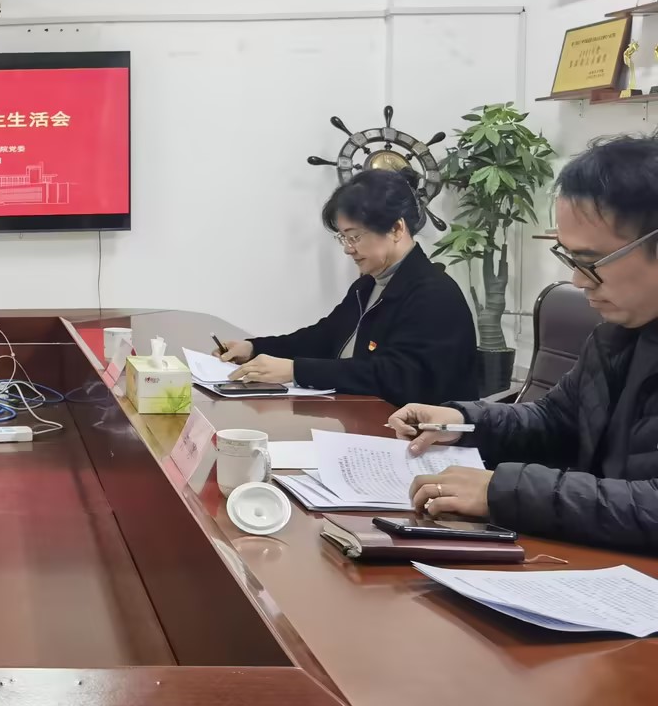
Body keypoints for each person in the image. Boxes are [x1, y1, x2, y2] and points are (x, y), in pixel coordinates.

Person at [396, 135, 658, 551]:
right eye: (570, 258)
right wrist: (462, 421)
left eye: (591, 262)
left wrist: (504, 492)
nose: (578, 280)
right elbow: (557, 420)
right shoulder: (616, 333)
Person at [216, 169, 478, 406]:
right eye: (343, 238)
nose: (348, 249)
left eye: (355, 237)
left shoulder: (434, 295)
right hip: (362, 418)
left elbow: (397, 376)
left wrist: (296, 371)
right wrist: (254, 348)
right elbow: (324, 337)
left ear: (396, 228)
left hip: (418, 435)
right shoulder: (368, 285)